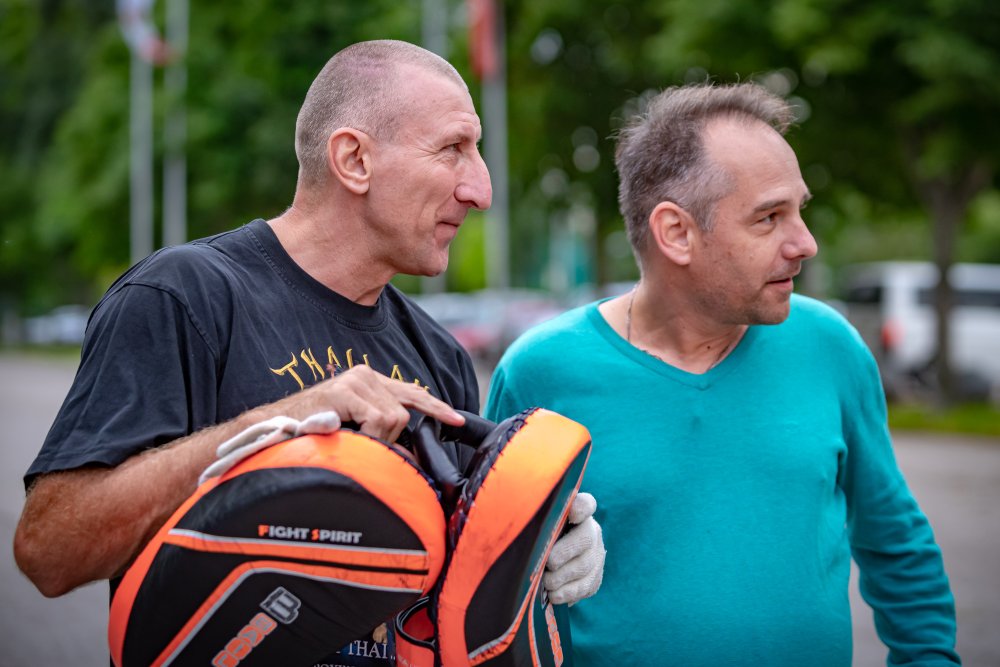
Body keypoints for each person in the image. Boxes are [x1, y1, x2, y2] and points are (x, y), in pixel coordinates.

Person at [14, 39, 603, 666]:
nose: (480, 190)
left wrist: (533, 549)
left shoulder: (440, 356)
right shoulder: (184, 296)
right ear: (354, 160)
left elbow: (443, 607)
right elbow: (49, 551)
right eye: (453, 149)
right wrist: (276, 426)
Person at [485, 82, 960, 666]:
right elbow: (489, 582)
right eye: (769, 218)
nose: (805, 243)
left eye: (800, 210)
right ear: (676, 233)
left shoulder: (830, 347)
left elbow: (897, 542)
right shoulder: (540, 373)